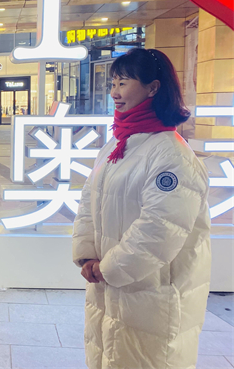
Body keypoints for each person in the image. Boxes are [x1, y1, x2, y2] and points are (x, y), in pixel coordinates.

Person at [72, 48, 211, 369]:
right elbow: (89, 202)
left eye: (123, 83)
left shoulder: (171, 155)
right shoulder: (118, 145)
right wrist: (87, 255)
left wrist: (109, 268)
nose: (114, 93)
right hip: (111, 290)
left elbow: (160, 229)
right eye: (112, 84)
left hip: (153, 296)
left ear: (153, 88)